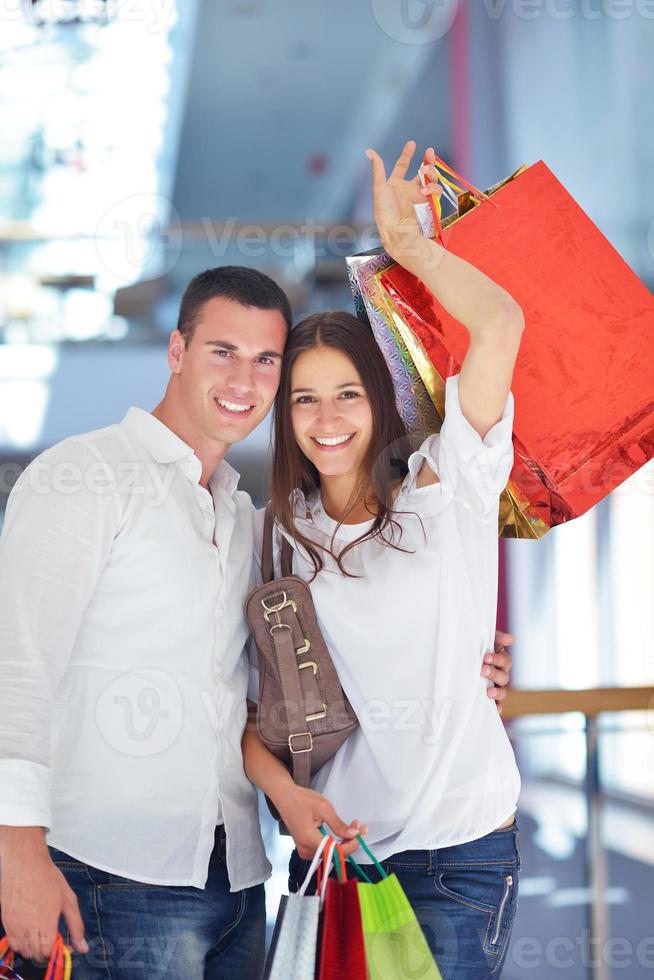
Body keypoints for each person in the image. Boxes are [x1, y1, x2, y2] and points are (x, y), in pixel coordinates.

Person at [0, 272, 513, 975]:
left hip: (241, 880)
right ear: (176, 349)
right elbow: (16, 670)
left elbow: (243, 695)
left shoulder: (245, 521)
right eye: (223, 351)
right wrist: (16, 852)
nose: (246, 378)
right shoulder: (92, 480)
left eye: (266, 360)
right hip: (116, 872)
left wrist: (472, 657)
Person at [241, 142, 525, 979]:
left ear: (379, 399)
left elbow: (501, 323)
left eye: (347, 394)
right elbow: (248, 716)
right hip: (331, 862)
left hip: (455, 858)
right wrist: (288, 801)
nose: (326, 419)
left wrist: (411, 250)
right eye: (304, 399)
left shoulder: (448, 489)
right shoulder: (275, 534)